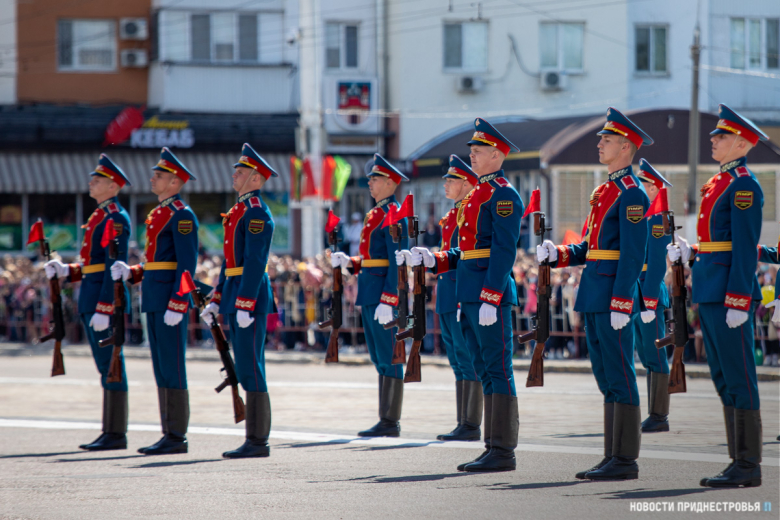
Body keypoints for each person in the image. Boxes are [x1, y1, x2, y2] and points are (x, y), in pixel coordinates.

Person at [538, 107, 652, 480]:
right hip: (595, 290)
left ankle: (626, 459)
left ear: (626, 147)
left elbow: (633, 254)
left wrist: (622, 300)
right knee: (605, 375)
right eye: (601, 138)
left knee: (620, 373)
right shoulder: (605, 191)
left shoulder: (632, 193)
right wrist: (559, 254)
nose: (600, 144)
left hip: (612, 294)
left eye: (607, 139)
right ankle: (612, 455)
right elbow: (590, 246)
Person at [411, 118, 524, 472]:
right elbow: (467, 252)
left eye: (478, 151)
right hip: (470, 294)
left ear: (496, 155)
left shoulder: (503, 194)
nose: (471, 156)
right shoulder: (477, 194)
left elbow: (504, 251)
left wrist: (491, 295)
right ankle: (492, 446)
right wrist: (437, 259)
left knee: (498, 368)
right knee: (484, 369)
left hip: (489, 295)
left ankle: (503, 450)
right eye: (471, 150)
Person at [668, 105, 767, 487]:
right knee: (723, 377)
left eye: (721, 136)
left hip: (728, 294)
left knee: (739, 376)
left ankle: (748, 463)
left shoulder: (743, 185)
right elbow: (719, 243)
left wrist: (739, 299)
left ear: (741, 143)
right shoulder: (720, 182)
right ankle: (736, 460)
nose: (713, 141)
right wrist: (692, 252)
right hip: (710, 289)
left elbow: (744, 247)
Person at [111, 147, 199, 455]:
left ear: (175, 182)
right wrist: (133, 272)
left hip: (169, 300)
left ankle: (177, 436)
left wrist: (179, 301)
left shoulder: (182, 215)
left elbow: (186, 264)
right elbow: (157, 262)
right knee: (161, 367)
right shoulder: (159, 213)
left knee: (173, 365)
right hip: (153, 296)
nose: (152, 179)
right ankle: (168, 432)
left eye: (159, 175)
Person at [44, 154, 132, 451]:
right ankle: (110, 430)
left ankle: (116, 433)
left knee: (111, 364)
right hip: (91, 297)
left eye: (98, 180)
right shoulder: (99, 216)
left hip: (102, 301)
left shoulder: (115, 218)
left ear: (113, 186)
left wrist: (105, 307)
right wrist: (66, 270)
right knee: (104, 365)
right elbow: (92, 265)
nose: (91, 183)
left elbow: (113, 265)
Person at [200, 143, 278, 458]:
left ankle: (258, 441)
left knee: (251, 367)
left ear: (256, 179)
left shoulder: (256, 211)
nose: (234, 175)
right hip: (236, 294)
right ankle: (254, 439)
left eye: (241, 172)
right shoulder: (239, 211)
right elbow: (229, 263)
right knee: (244, 366)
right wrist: (217, 299)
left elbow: (255, 262)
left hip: (250, 296)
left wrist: (245, 302)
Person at [401, 155, 483, 441]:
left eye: (451, 179)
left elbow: (466, 257)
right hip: (447, 293)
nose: (445, 184)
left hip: (461, 292)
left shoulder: (470, 213)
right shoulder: (453, 215)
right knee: (457, 359)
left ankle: (471, 424)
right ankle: (463, 421)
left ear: (466, 183)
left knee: (467, 357)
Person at [331, 154, 409, 437]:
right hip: (369, 291)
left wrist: (390, 299)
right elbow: (372, 258)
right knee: (379, 356)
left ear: (390, 182)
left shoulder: (394, 214)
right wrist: (351, 263)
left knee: (390, 355)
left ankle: (390, 421)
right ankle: (385, 418)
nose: (370, 183)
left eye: (375, 179)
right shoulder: (376, 213)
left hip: (383, 296)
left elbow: (398, 262)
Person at [633, 159, 673, 433]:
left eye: (642, 183)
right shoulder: (643, 216)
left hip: (649, 293)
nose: (637, 187)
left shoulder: (658, 218)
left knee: (656, 354)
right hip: (637, 290)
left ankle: (660, 416)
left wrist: (647, 300)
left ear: (653, 188)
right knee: (646, 354)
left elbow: (658, 263)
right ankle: (653, 412)